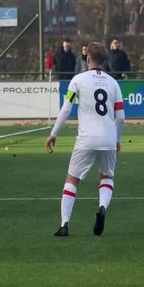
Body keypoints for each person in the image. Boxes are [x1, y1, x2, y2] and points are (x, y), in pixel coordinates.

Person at [46, 42, 125, 237]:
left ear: (87, 59)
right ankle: (102, 207)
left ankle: (65, 224)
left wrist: (54, 133)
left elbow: (66, 108)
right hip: (108, 138)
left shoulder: (78, 80)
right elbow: (121, 117)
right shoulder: (113, 83)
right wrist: (117, 139)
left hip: (86, 139)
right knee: (106, 176)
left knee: (72, 180)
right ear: (104, 60)